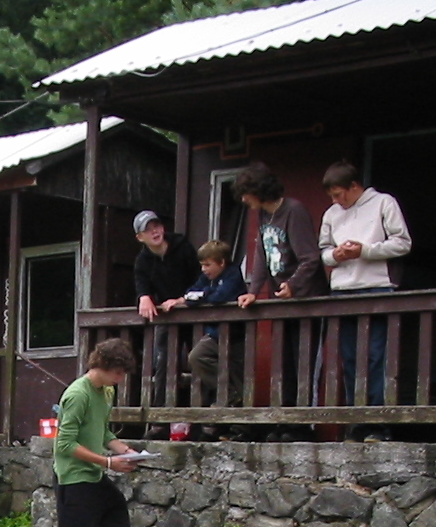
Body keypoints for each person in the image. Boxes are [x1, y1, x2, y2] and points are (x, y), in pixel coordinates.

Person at [49, 338, 140, 527]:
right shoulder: (78, 395)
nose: (121, 378)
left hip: (94, 475)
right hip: (74, 479)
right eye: (118, 372)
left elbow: (102, 432)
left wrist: (125, 450)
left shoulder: (107, 391)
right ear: (103, 366)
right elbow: (64, 444)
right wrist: (109, 463)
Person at [317, 160, 411, 432]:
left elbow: (403, 243)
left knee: (377, 356)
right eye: (332, 196)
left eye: (339, 194)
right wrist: (335, 255)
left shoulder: (383, 203)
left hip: (377, 286)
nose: (336, 201)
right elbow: (322, 251)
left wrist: (365, 251)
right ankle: (356, 425)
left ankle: (378, 425)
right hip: (342, 290)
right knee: (349, 358)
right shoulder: (331, 214)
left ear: (354, 186)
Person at [233, 162, 325, 409]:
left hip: (307, 302)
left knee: (305, 364)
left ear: (259, 190)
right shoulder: (263, 215)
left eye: (246, 193)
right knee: (284, 365)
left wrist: (293, 284)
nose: (244, 199)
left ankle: (304, 420)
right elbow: (262, 256)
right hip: (282, 303)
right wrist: (253, 292)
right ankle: (286, 417)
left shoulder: (294, 211)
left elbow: (311, 258)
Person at [162, 239, 246, 408]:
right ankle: (229, 393)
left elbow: (219, 297)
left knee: (237, 371)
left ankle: (238, 410)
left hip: (236, 334)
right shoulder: (207, 278)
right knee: (197, 357)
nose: (204, 269)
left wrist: (202, 295)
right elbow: (191, 292)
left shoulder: (233, 275)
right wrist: (188, 298)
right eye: (202, 265)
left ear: (221, 262)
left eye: (207, 265)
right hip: (215, 333)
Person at [132, 210, 201, 407]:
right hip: (168, 316)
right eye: (148, 230)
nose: (154, 232)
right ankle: (160, 412)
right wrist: (144, 297)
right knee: (163, 362)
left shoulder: (183, 246)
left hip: (195, 311)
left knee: (200, 359)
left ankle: (205, 409)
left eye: (156, 226)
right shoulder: (142, 261)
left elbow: (201, 279)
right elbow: (142, 285)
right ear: (140, 237)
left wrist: (183, 299)